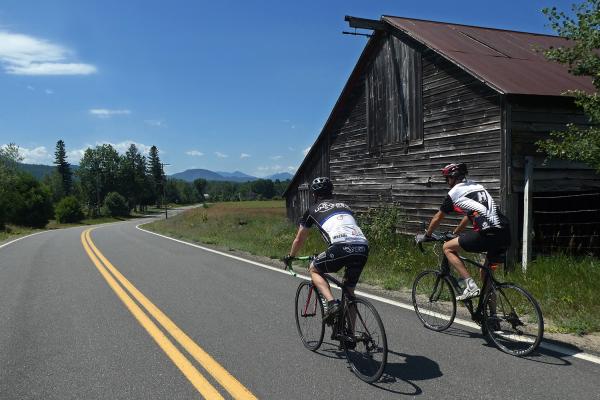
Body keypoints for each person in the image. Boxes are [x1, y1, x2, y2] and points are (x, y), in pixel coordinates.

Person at [418, 163, 511, 300]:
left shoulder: (454, 193)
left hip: (488, 234)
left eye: (447, 179)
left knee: (447, 248)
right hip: (505, 233)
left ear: (452, 178)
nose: (447, 182)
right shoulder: (477, 187)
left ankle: (470, 285)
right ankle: (492, 316)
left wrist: (427, 235)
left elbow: (438, 217)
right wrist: (455, 233)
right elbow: (469, 215)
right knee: (486, 277)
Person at [285, 177, 369, 322]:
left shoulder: (311, 210)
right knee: (349, 292)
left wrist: (290, 256)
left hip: (340, 247)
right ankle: (351, 336)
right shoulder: (345, 206)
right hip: (362, 247)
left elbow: (299, 239)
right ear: (331, 191)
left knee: (314, 269)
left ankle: (331, 304)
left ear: (314, 195)